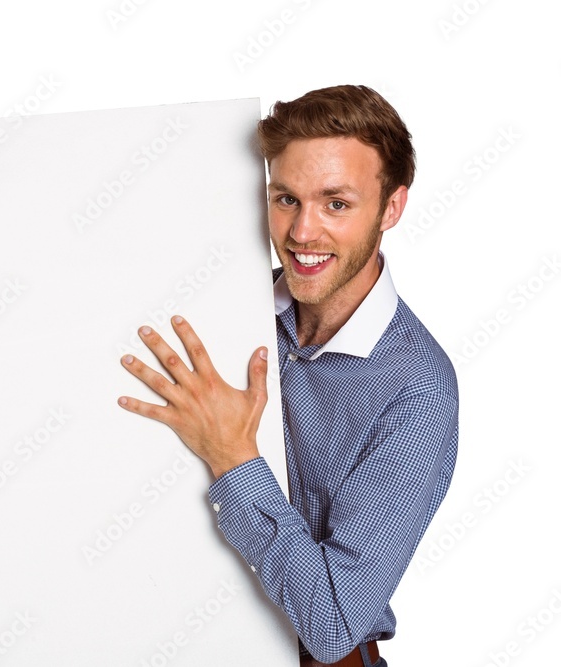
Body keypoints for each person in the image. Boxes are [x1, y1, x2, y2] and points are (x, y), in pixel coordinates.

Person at [118, 85, 458, 667]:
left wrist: (233, 459)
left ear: (392, 207)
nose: (302, 233)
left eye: (337, 204)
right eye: (286, 199)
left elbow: (331, 625)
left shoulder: (418, 388)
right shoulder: (225, 307)